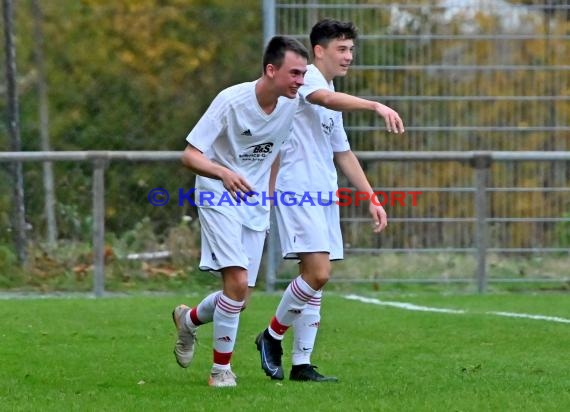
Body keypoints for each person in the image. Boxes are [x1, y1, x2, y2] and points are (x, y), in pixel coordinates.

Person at [255, 18, 405, 382]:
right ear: (319, 51)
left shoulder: (333, 94)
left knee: (313, 279)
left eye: (351, 49)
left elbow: (344, 153)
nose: (349, 56)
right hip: (297, 190)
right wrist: (375, 106)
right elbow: (323, 98)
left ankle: (302, 364)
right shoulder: (306, 80)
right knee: (319, 273)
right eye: (342, 49)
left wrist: (372, 198)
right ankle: (271, 336)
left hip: (324, 195)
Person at [172, 36, 309, 388]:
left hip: (254, 202)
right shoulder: (231, 101)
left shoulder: (290, 105)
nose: (300, 80)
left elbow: (275, 151)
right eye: (294, 73)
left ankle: (188, 320)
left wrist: (271, 193)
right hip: (217, 193)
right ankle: (221, 371)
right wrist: (223, 172)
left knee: (239, 297)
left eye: (303, 74)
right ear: (271, 69)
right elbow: (190, 155)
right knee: (234, 282)